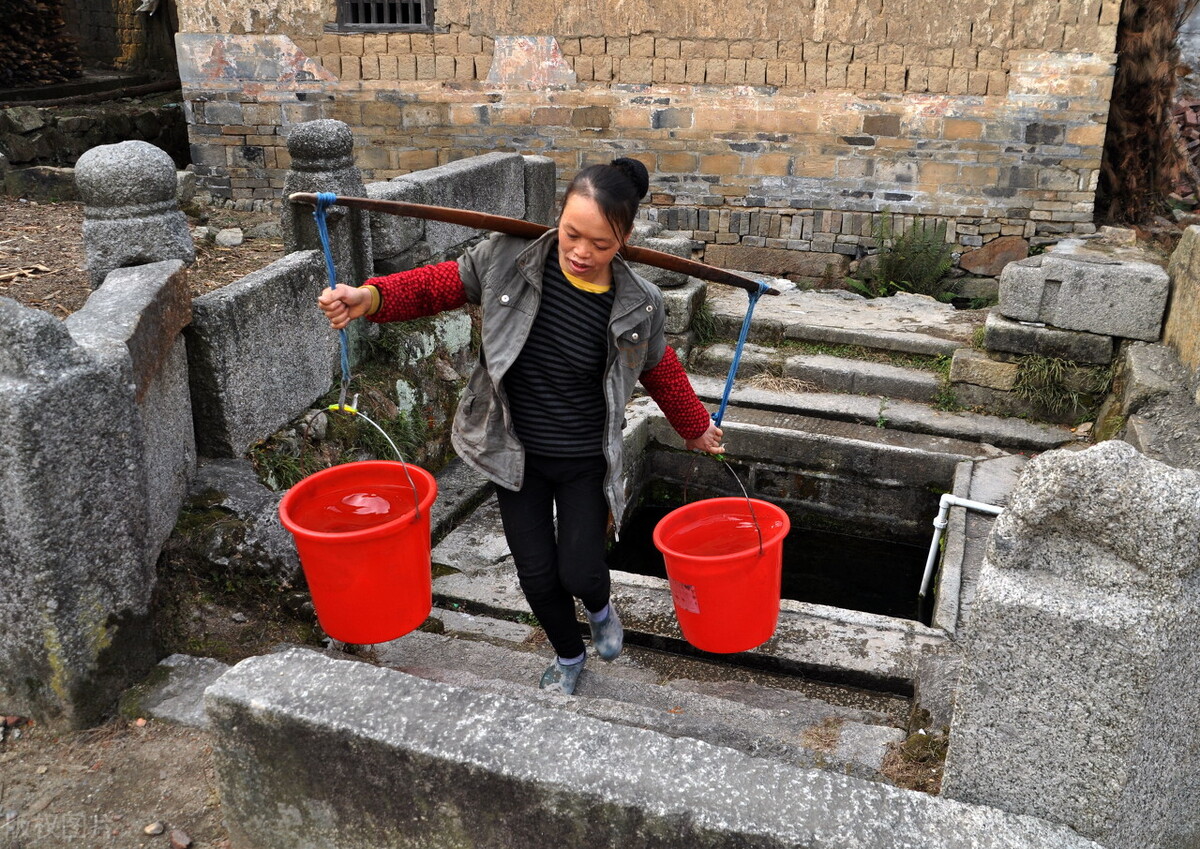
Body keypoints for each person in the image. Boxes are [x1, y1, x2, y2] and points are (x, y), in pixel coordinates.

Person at [318, 157, 725, 695]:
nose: (581, 252)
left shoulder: (639, 304)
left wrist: (696, 427)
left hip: (584, 461)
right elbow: (439, 284)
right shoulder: (507, 258)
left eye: (600, 244)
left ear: (625, 237)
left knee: (579, 571)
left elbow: (661, 369)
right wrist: (369, 297)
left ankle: (600, 608)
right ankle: (568, 655)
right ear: (559, 217)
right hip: (514, 453)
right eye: (572, 234)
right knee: (535, 576)